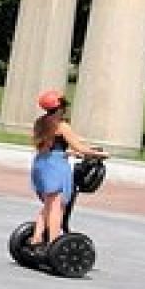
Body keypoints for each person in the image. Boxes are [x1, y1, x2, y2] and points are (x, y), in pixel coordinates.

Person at [28, 89, 106, 251]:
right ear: (60, 107)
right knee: (58, 207)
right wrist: (101, 154)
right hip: (56, 167)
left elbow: (48, 147)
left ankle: (36, 239)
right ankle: (53, 243)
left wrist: (69, 153)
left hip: (41, 164)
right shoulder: (61, 125)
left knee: (49, 204)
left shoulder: (40, 123)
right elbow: (79, 146)